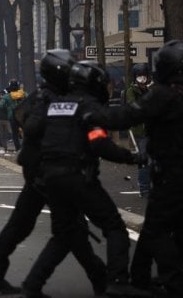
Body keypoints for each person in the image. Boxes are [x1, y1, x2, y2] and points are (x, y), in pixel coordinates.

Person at [89, 40, 183, 297]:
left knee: (156, 228)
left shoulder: (164, 94)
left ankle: (174, 280)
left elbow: (126, 116)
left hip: (173, 174)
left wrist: (93, 114)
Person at [22, 60, 148, 297]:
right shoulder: (88, 107)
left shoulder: (55, 105)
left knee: (63, 234)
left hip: (50, 178)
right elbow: (100, 143)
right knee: (114, 226)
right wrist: (133, 157)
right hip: (77, 177)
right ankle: (118, 280)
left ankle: (32, 284)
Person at [0, 49, 74, 295]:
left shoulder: (41, 97)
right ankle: (106, 280)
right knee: (66, 230)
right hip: (44, 171)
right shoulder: (47, 100)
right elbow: (32, 129)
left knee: (25, 227)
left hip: (41, 170)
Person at [125, 63, 151, 198]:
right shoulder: (131, 91)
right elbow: (132, 105)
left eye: (144, 76)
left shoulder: (150, 90)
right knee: (143, 159)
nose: (142, 79)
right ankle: (144, 188)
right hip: (139, 130)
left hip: (152, 129)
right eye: (139, 76)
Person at [0, 79, 24, 151]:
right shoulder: (23, 94)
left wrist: (8, 107)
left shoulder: (7, 96)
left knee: (15, 133)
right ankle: (25, 146)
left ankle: (18, 148)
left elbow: (1, 105)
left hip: (12, 116)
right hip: (22, 116)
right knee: (24, 131)